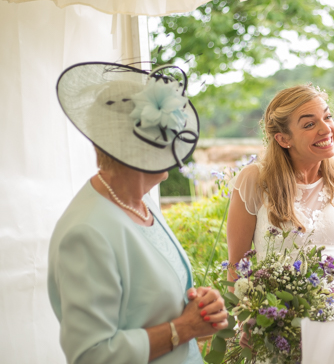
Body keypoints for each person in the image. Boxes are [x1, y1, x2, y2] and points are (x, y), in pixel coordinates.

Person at [48, 63, 228, 364]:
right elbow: (91, 355)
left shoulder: (140, 204)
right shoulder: (87, 232)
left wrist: (201, 307)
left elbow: (147, 301)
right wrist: (183, 328)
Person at [226, 84, 334, 319]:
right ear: (283, 138)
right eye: (310, 124)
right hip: (278, 327)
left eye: (327, 117)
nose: (326, 128)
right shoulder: (254, 180)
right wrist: (248, 324)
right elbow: (237, 268)